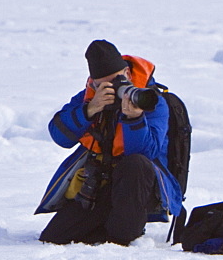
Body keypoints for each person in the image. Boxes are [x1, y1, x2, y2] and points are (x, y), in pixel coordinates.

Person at [36, 39, 184, 245]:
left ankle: (122, 235)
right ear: (94, 83)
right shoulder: (88, 98)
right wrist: (89, 110)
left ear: (127, 73)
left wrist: (134, 119)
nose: (115, 88)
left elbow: (147, 153)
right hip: (100, 183)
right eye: (105, 84)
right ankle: (104, 228)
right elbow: (59, 135)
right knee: (53, 238)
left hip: (140, 185)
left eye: (118, 80)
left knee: (136, 164)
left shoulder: (151, 101)